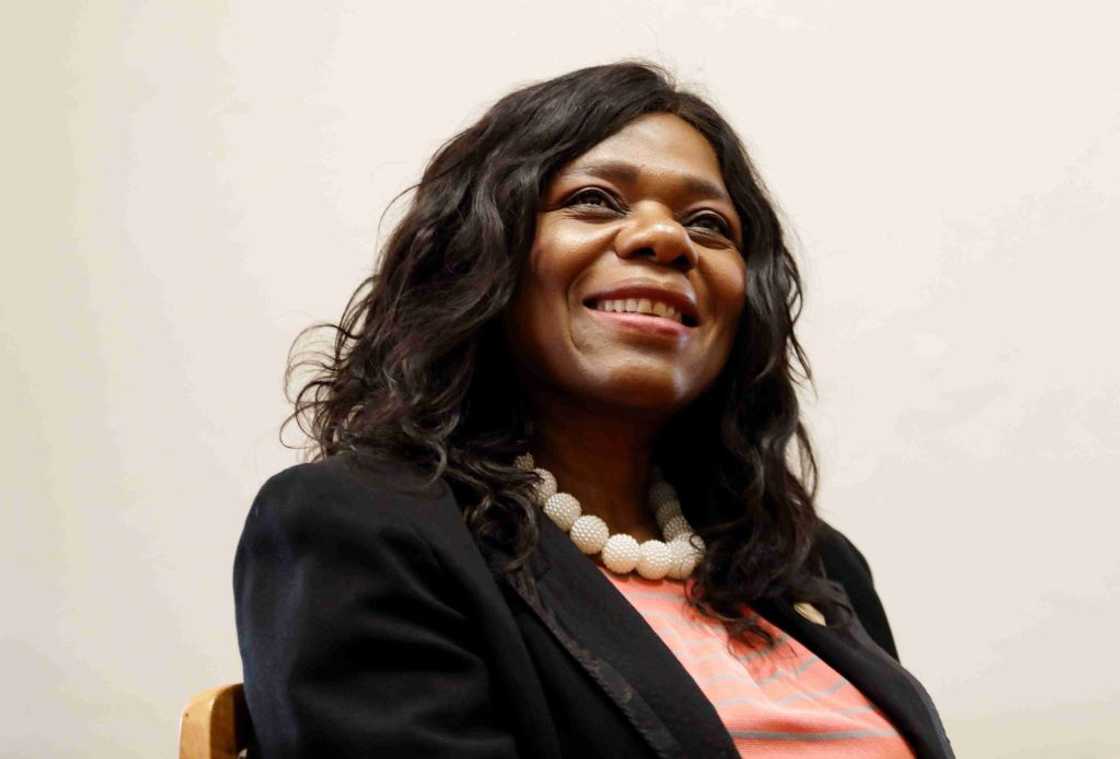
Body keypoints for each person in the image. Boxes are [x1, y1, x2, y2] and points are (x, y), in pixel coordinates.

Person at [233, 61, 955, 758]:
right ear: (483, 253)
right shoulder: (361, 530)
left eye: (709, 224)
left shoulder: (813, 563)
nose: (666, 238)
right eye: (595, 201)